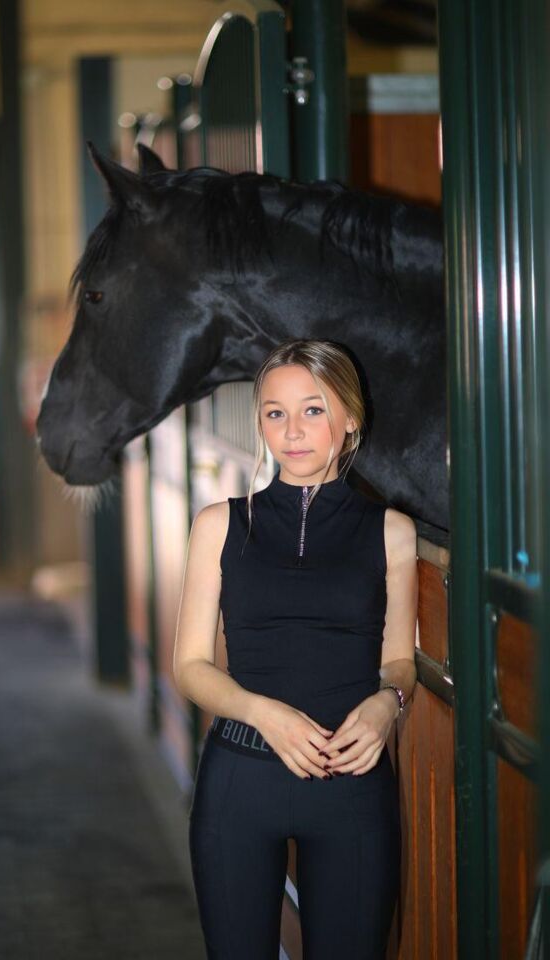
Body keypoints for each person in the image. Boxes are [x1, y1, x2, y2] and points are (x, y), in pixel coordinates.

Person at [173, 339, 418, 959]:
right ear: (259, 423)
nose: (293, 431)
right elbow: (190, 667)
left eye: (313, 410)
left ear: (350, 418)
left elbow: (399, 662)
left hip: (351, 783)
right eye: (275, 413)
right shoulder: (219, 524)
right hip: (241, 779)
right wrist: (264, 713)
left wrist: (387, 703)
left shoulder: (391, 531)